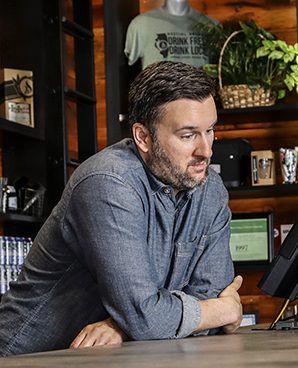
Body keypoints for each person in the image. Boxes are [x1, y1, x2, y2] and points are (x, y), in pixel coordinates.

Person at [0, 61, 242, 356]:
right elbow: (201, 310)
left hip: (117, 357)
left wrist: (124, 326)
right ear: (143, 137)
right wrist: (222, 310)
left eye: (210, 130)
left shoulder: (210, 189)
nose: (205, 150)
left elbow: (206, 296)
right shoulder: (108, 183)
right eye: (188, 135)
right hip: (29, 358)